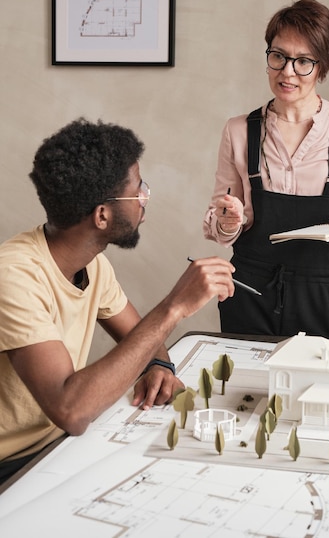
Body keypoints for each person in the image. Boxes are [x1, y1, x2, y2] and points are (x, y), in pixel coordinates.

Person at [0, 119, 235, 485]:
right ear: (102, 215)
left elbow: (143, 339)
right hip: (13, 465)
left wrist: (159, 366)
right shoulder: (14, 276)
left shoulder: (93, 265)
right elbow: (71, 410)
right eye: (138, 189)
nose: (145, 198)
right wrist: (174, 306)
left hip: (57, 449)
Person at [203, 0, 329, 340]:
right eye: (278, 56)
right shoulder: (239, 130)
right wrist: (228, 220)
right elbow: (219, 222)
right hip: (249, 290)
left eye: (303, 61)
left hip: (322, 293)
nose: (287, 71)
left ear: (322, 67)